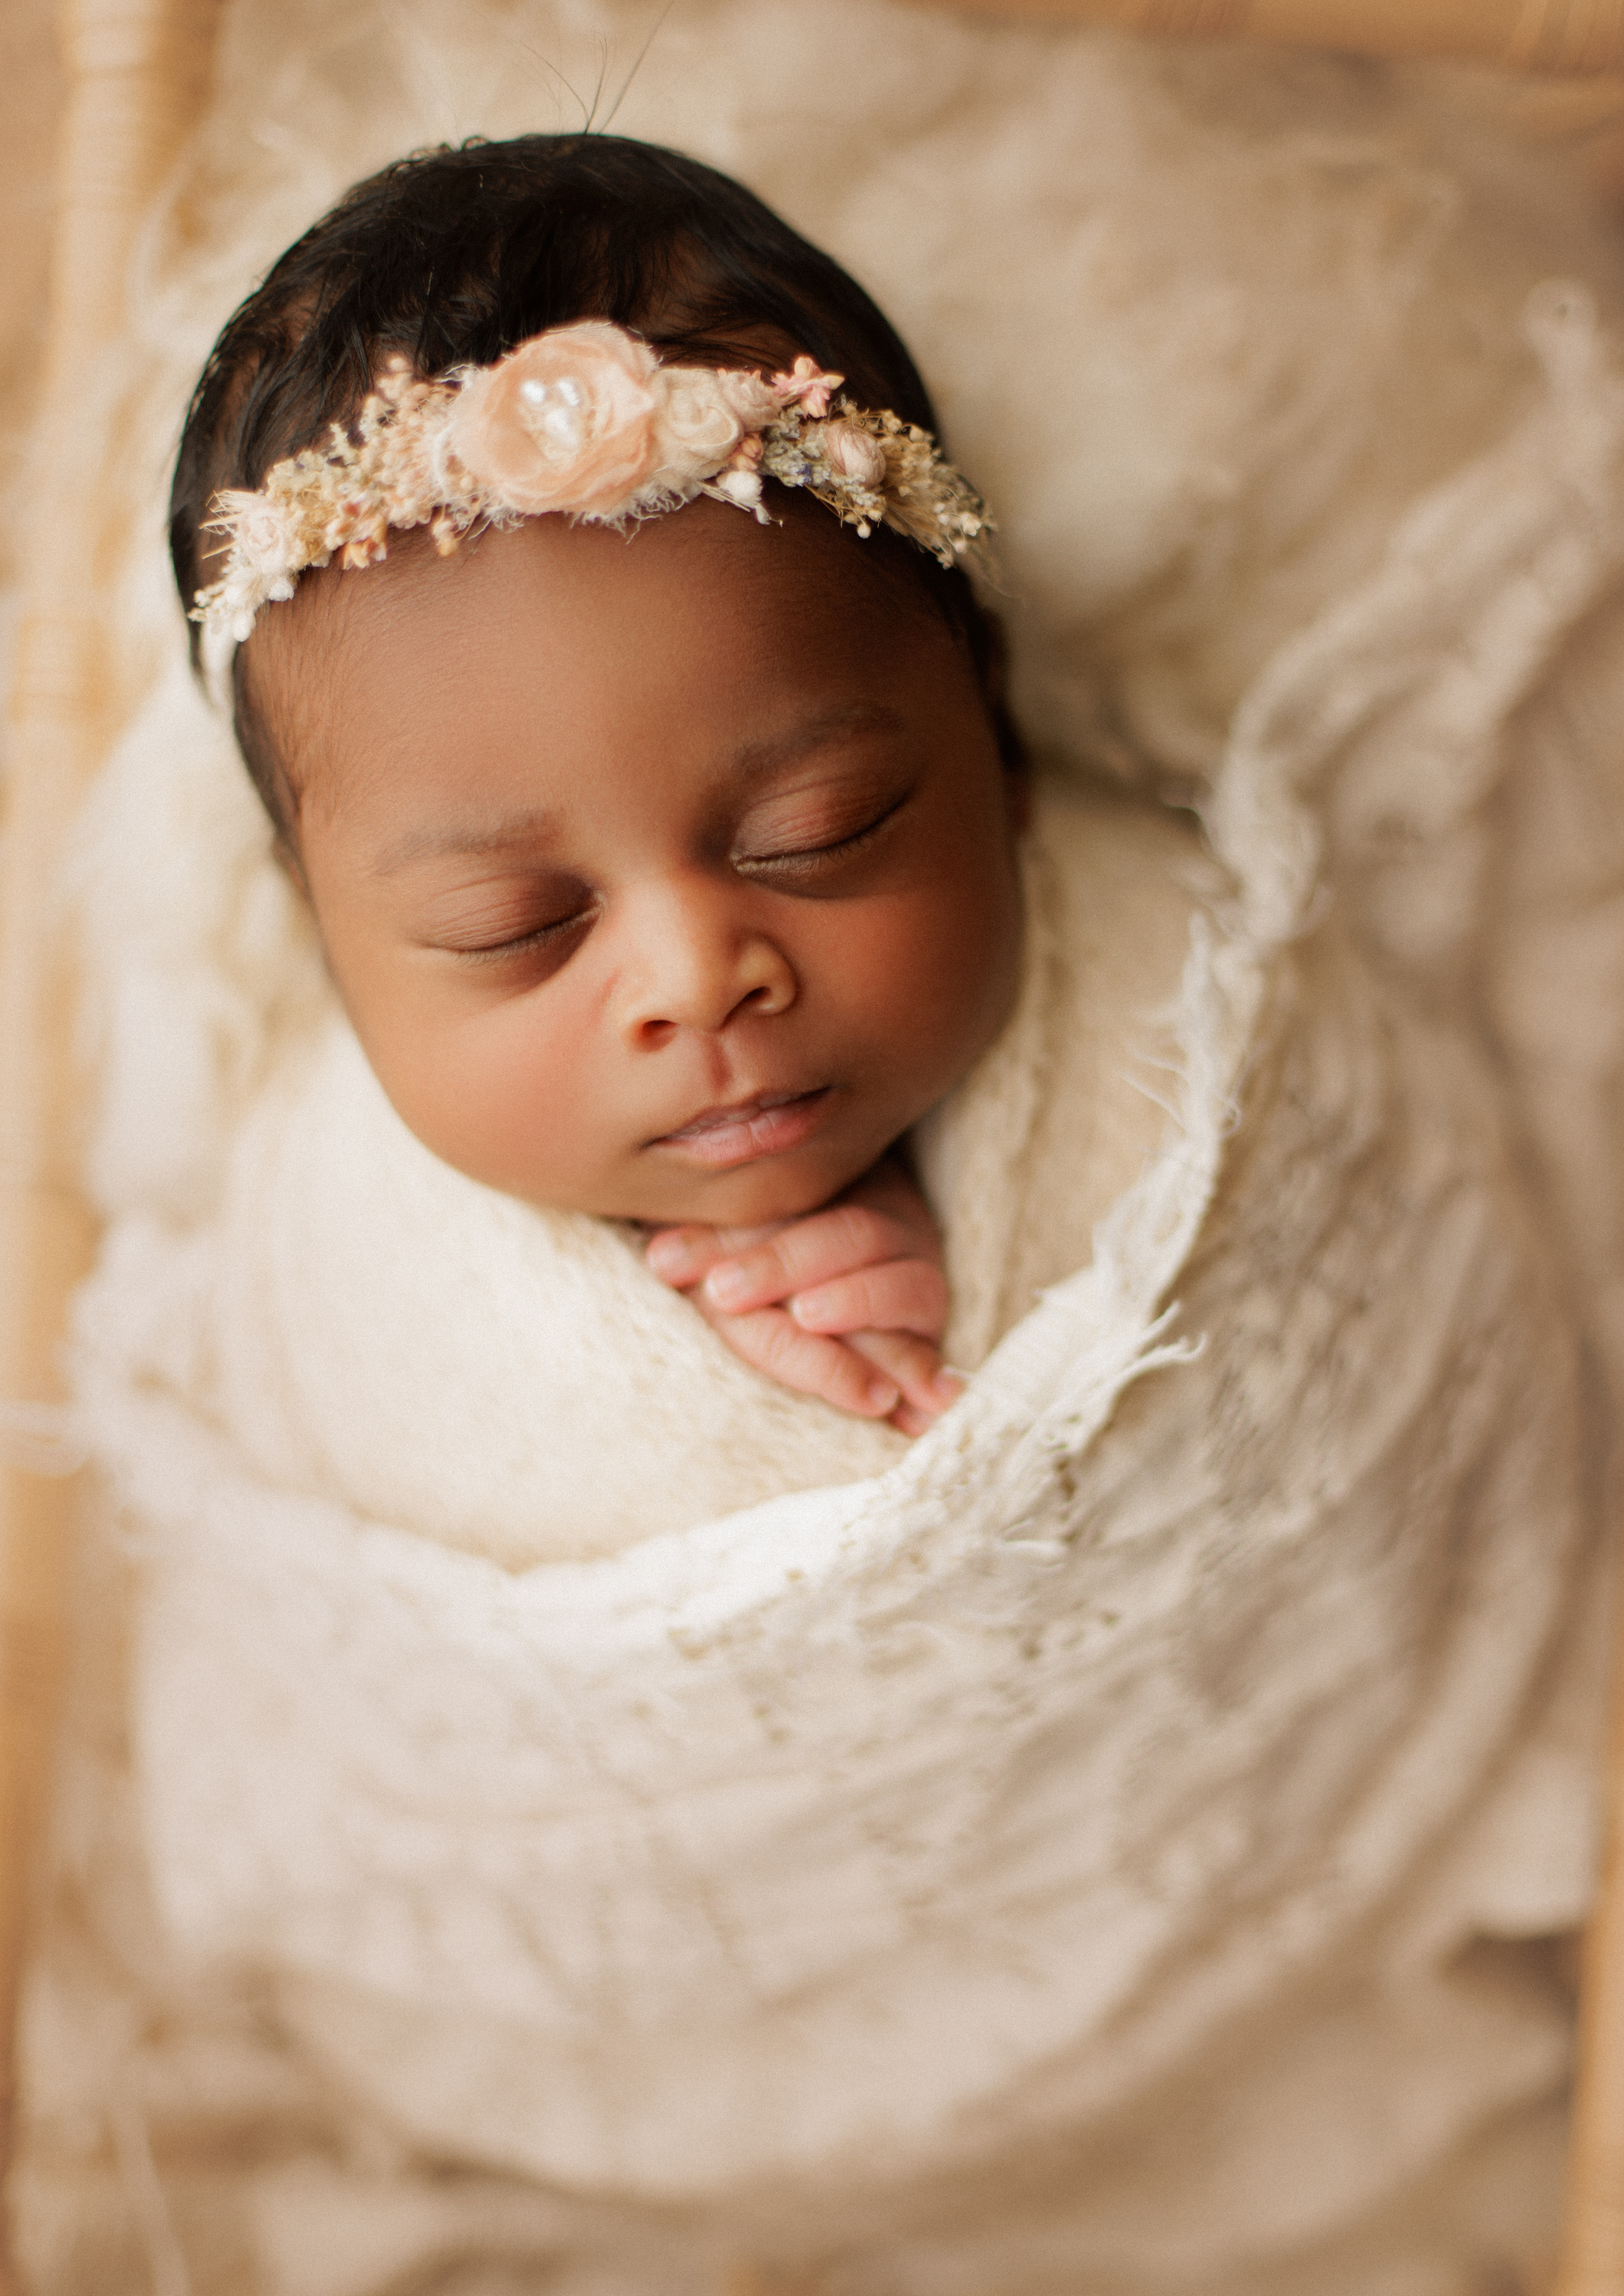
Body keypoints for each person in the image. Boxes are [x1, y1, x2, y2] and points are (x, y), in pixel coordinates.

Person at [172, 130, 1032, 1438]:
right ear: (320, 935)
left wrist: (988, 1273)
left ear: (999, 734)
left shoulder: (1173, 986)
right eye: (511, 925)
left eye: (819, 829)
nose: (697, 976)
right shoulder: (309, 1249)